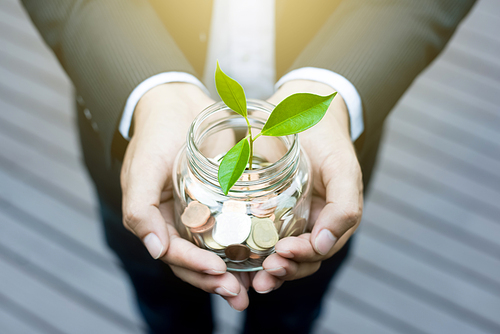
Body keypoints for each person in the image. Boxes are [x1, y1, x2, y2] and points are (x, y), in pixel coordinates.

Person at [21, 0, 476, 333]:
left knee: (292, 309)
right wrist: (148, 88)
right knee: (163, 304)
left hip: (319, 162)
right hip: (144, 150)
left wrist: (332, 90)